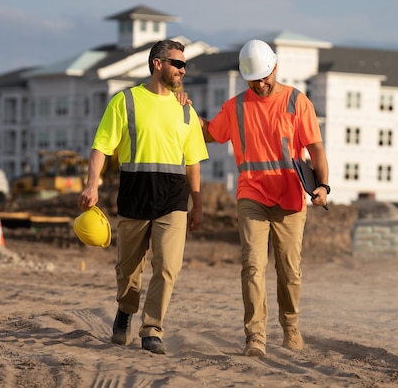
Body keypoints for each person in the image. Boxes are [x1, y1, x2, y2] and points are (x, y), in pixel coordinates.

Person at [200, 39, 329, 357]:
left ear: (275, 67)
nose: (260, 83)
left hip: (289, 197)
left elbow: (315, 149)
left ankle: (291, 327)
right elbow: (209, 134)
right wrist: (184, 110)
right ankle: (255, 336)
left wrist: (323, 186)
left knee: (288, 269)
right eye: (253, 78)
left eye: (264, 76)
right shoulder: (235, 107)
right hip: (251, 194)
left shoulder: (297, 102)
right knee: (253, 266)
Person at [79, 39, 208, 354]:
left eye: (184, 65)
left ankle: (152, 330)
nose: (183, 70)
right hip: (135, 195)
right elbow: (102, 146)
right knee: (128, 269)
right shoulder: (125, 101)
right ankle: (125, 309)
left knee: (167, 266)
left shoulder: (186, 111)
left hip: (173, 199)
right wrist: (91, 184)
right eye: (177, 64)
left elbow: (193, 160)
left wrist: (198, 203)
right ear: (157, 64)